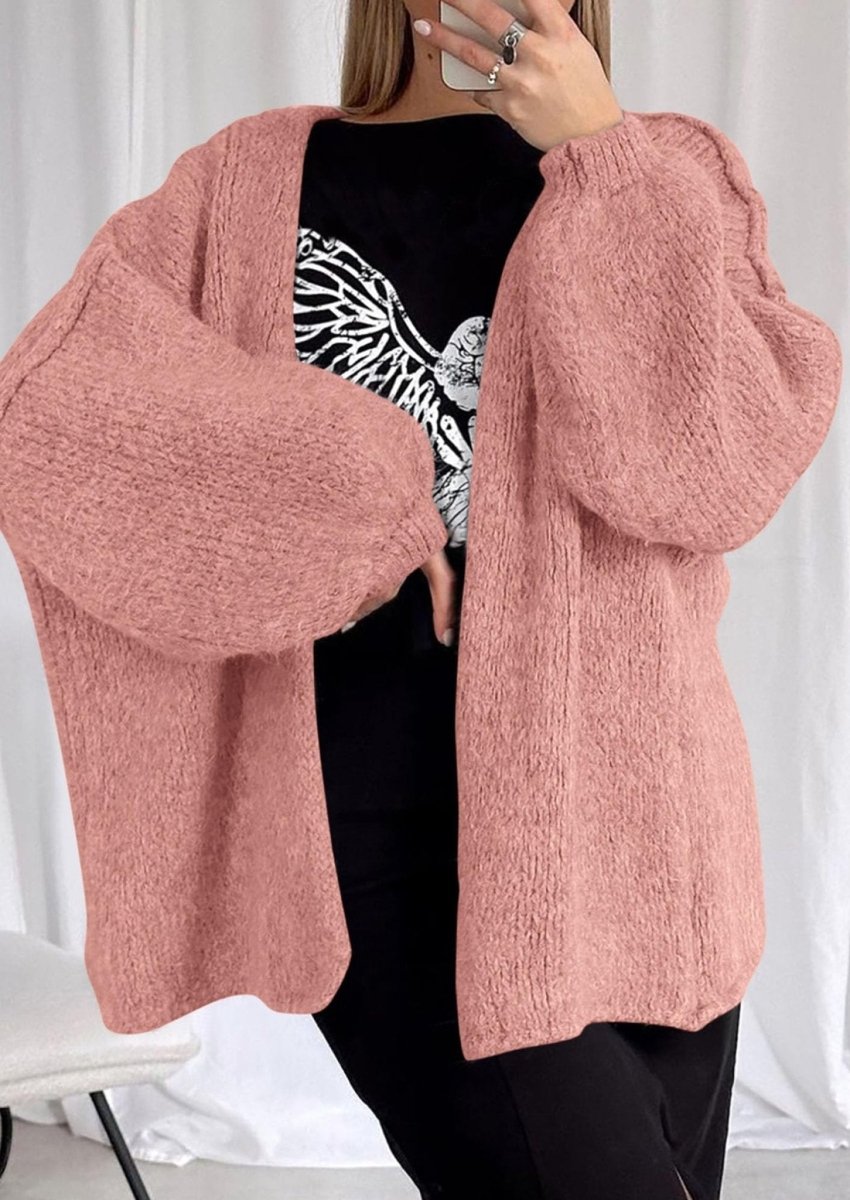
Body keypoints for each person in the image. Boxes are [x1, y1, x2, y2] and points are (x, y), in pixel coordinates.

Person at [305, 2, 735, 1197]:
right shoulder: (251, 186)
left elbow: (715, 474)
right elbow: (61, 423)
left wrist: (603, 157)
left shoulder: (669, 171)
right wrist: (323, 504)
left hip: (650, 832)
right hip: (396, 846)